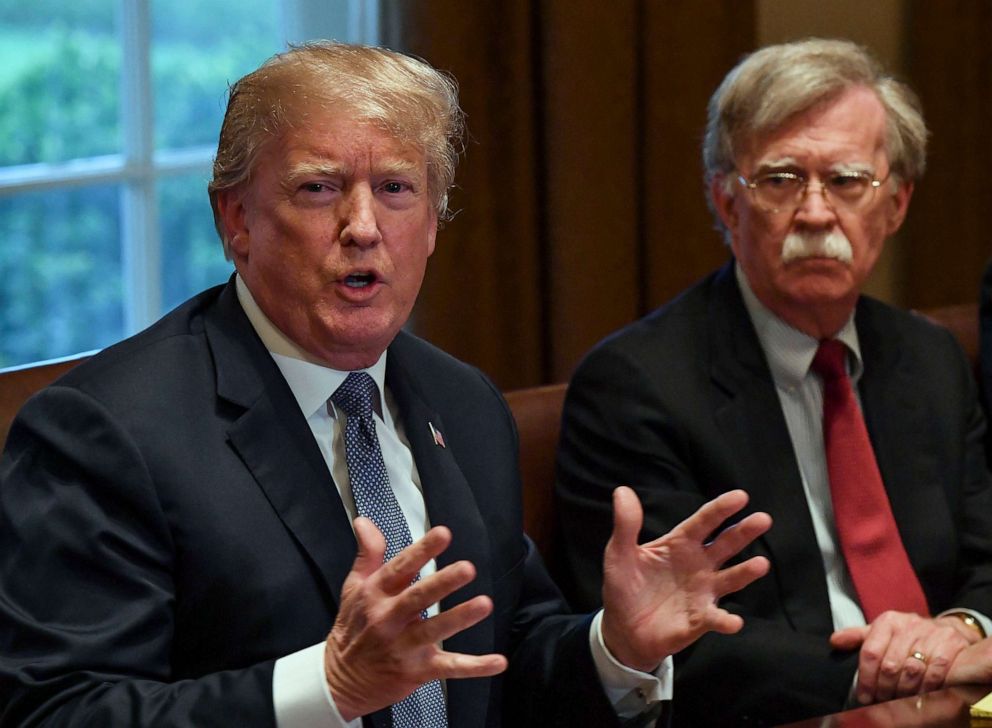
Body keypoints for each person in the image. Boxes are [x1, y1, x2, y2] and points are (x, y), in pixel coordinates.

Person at [0, 42, 772, 727]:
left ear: (433, 223)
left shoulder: (464, 402)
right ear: (235, 218)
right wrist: (325, 689)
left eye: (397, 189)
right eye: (318, 189)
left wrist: (614, 646)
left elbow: (501, 662)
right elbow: (56, 709)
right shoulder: (104, 432)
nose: (363, 226)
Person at [555, 37, 992, 727]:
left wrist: (967, 630)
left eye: (848, 181)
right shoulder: (636, 386)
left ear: (897, 205)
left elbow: (986, 559)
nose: (816, 214)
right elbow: (677, 639)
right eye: (781, 180)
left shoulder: (930, 359)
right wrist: (898, 673)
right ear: (727, 202)